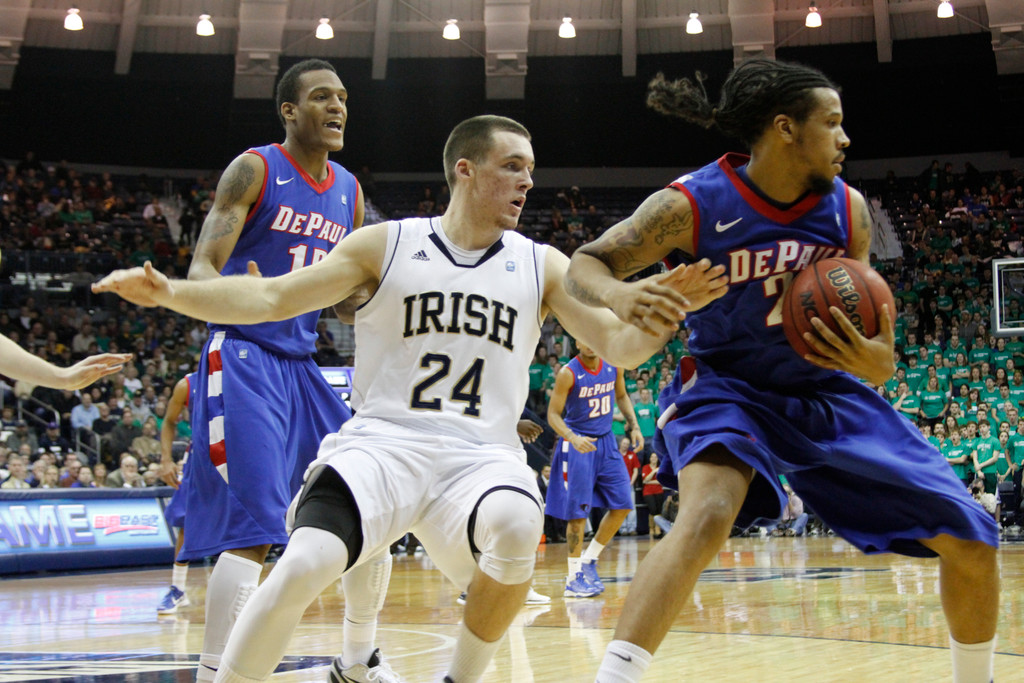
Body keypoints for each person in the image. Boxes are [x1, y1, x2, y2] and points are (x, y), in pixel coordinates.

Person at [94, 113, 727, 683]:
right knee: (304, 560)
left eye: (530, 170)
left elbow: (616, 347)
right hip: (383, 445)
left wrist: (666, 311)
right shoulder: (387, 243)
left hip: (480, 457)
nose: (527, 182)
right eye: (512, 166)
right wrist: (172, 293)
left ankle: (458, 679)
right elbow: (270, 298)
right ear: (465, 169)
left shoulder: (543, 264)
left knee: (517, 522)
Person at [564, 58, 999, 683]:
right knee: (709, 513)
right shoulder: (694, 203)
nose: (846, 139)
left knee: (976, 539)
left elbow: (881, 354)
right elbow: (586, 262)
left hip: (823, 389)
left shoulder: (849, 211)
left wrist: (871, 358)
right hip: (725, 386)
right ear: (784, 128)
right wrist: (626, 295)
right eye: (833, 123)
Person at [154, 59, 398, 683]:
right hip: (241, 353)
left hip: (301, 362)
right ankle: (215, 673)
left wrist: (390, 299)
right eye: (321, 97)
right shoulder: (255, 167)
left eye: (343, 97)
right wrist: (245, 288)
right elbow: (202, 269)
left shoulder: (349, 189)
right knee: (257, 527)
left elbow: (342, 296)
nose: (338, 107)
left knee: (364, 504)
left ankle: (356, 661)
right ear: (289, 111)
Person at [546, 341, 645, 598]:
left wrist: (633, 425)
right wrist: (572, 437)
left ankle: (589, 561)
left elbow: (621, 395)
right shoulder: (568, 373)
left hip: (607, 442)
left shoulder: (613, 364)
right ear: (576, 341)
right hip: (578, 445)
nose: (590, 343)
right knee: (577, 517)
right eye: (582, 338)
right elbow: (553, 415)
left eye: (593, 337)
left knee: (623, 505)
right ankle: (572, 578)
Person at [156, 373, 194, 615]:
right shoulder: (188, 384)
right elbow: (169, 421)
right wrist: (167, 459)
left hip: (240, 455)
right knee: (187, 522)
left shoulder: (246, 376)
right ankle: (178, 588)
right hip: (201, 456)